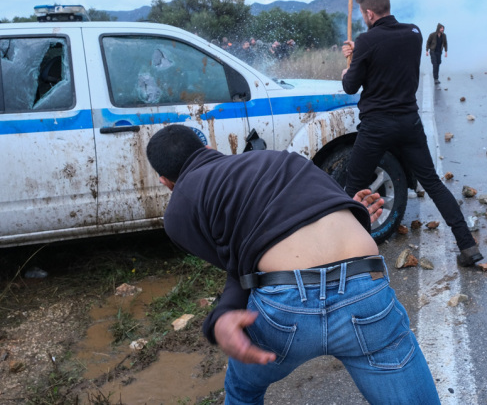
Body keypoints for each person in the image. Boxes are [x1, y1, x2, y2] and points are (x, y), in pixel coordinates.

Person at [146, 125, 442, 405]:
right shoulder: (277, 158)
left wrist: (220, 318)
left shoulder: (178, 211)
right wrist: (355, 215)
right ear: (208, 147)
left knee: (241, 388)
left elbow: (239, 270)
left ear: (166, 181)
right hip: (364, 288)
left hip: (287, 308)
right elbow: (329, 208)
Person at [341, 0, 483, 267]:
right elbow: (389, 54)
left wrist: (349, 66)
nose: (363, 19)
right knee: (432, 183)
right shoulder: (414, 33)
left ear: (369, 13)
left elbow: (350, 86)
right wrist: (361, 52)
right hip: (409, 123)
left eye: (363, 15)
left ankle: (345, 257)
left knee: (352, 188)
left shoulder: (367, 40)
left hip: (376, 126)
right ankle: (468, 247)